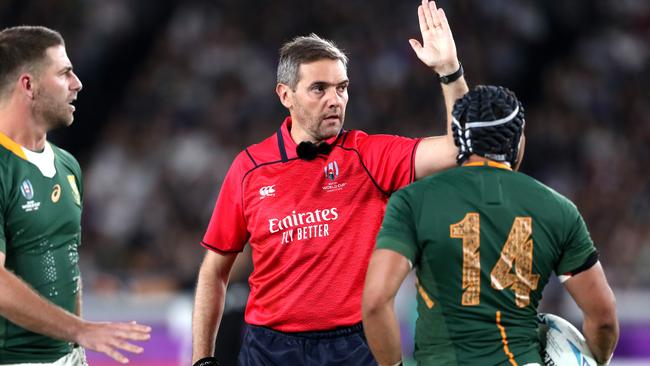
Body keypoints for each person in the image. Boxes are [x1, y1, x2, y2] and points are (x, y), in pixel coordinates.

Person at [191, 1, 469, 365]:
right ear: (285, 95)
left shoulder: (370, 155)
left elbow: (459, 147)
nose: (335, 100)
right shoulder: (250, 168)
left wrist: (449, 71)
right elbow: (215, 270)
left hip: (355, 346)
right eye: (319, 89)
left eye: (342, 87)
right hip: (269, 349)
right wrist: (201, 360)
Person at [362, 85, 619, 365]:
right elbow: (603, 318)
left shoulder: (413, 200)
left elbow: (375, 302)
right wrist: (597, 360)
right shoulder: (559, 209)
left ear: (459, 139)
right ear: (517, 139)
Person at [0, 26, 151, 365]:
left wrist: (75, 348)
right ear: (28, 85)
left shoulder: (67, 166)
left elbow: (66, 257)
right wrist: (79, 329)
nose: (77, 83)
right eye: (65, 72)